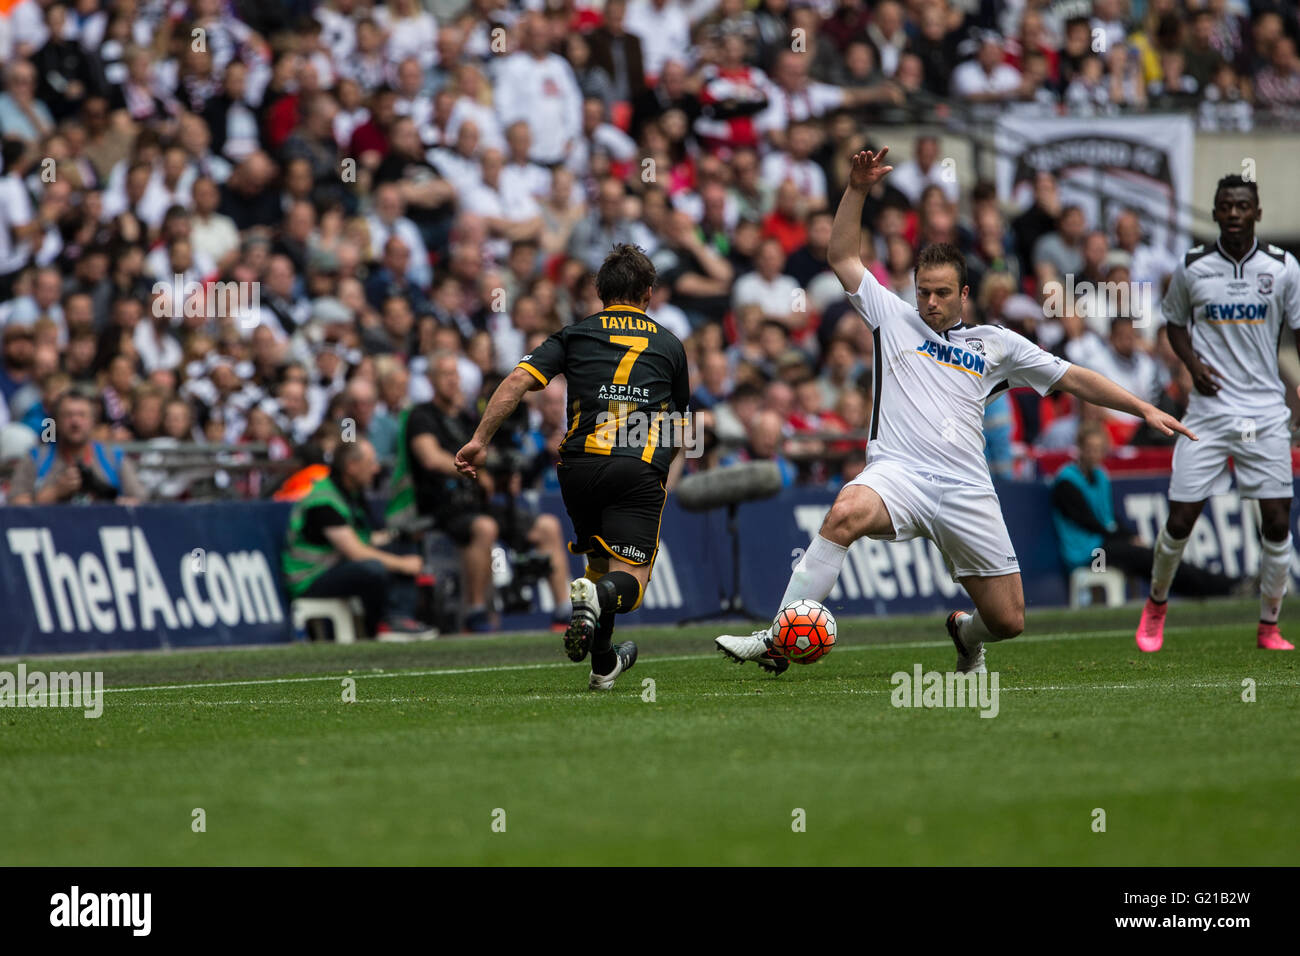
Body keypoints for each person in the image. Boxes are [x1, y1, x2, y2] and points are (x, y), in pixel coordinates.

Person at [716, 149, 1195, 676]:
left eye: (943, 293)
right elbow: (842, 257)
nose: (931, 302)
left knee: (1009, 619)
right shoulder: (891, 316)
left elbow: (1072, 376)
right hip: (897, 474)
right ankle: (779, 637)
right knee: (845, 512)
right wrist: (856, 189)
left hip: (967, 486)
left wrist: (1144, 407)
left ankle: (966, 633)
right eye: (924, 291)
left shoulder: (996, 344)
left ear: (965, 293)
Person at [454, 244, 690, 690]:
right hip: (635, 467)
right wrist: (662, 466)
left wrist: (479, 440)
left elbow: (517, 381)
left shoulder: (574, 334)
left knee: (599, 562)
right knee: (630, 585)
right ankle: (598, 599)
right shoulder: (670, 345)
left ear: (600, 291)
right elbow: (682, 425)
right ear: (648, 292)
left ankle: (602, 663)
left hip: (577, 469)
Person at [1135, 175, 1300, 652]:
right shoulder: (1192, 267)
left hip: (1265, 411)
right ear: (1214, 213)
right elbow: (1174, 324)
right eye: (1225, 205)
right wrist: (1192, 366)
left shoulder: (1284, 268)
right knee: (1181, 520)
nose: (1233, 212)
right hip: (1207, 413)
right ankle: (1157, 604)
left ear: (1257, 213)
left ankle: (1269, 625)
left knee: (1276, 521)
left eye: (1242, 205)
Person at [387, 351, 572, 633]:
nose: (452, 381)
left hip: (478, 503)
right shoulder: (421, 416)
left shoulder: (467, 418)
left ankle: (563, 612)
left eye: (455, 375)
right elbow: (430, 457)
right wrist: (472, 469)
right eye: (445, 375)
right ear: (432, 381)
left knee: (547, 526)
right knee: (484, 527)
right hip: (441, 508)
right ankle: (475, 612)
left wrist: (501, 477)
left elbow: (490, 455)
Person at [1053, 424, 1244, 597]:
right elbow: (1091, 523)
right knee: (1146, 558)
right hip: (1090, 556)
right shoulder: (1066, 482)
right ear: (1080, 449)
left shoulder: (1100, 477)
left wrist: (1130, 537)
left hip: (1105, 546)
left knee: (1150, 559)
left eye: (1098, 449)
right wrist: (1127, 538)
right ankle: (1218, 587)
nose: (1094, 454)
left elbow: (1108, 519)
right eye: (1089, 449)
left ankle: (1211, 587)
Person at [282, 439, 434, 639]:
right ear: (352, 466)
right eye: (371, 463)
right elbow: (356, 552)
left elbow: (364, 539)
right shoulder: (323, 500)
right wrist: (402, 564)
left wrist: (398, 538)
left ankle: (400, 619)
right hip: (310, 577)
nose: (376, 469)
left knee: (402, 546)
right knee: (374, 568)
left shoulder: (350, 493)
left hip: (337, 565)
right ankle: (387, 622)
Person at [9, 391, 145, 504]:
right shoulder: (35, 457)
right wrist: (55, 492)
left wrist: (117, 504)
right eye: (68, 415)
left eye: (82, 415)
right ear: (56, 421)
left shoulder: (113, 456)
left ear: (93, 421)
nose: (75, 422)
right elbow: (15, 502)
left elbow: (141, 499)